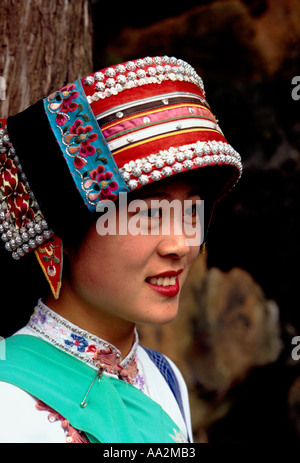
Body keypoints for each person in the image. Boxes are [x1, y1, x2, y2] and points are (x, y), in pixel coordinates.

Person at [0, 55, 242, 443]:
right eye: (147, 214)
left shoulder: (165, 377)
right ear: (62, 233)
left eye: (192, 211)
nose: (181, 244)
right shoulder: (9, 401)